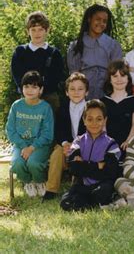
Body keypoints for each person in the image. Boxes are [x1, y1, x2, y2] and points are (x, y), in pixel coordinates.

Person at [60, 100, 121, 211]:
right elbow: (73, 168)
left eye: (99, 119)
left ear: (105, 120)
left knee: (102, 191)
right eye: (90, 119)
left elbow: (110, 172)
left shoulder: (111, 144)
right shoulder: (78, 141)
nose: (94, 123)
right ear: (84, 120)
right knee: (65, 202)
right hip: (83, 185)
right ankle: (93, 203)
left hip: (102, 185)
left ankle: (93, 201)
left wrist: (83, 165)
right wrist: (98, 165)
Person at [6, 71, 54, 197]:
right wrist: (23, 146)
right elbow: (10, 130)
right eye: (26, 86)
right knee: (17, 163)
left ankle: (39, 181)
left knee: (34, 163)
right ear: (22, 88)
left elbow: (47, 133)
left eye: (34, 87)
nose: (30, 90)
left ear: (41, 90)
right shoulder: (16, 106)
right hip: (21, 145)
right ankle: (27, 182)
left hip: (39, 145)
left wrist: (32, 147)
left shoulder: (45, 108)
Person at [43, 72, 88, 200]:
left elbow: (94, 130)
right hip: (66, 145)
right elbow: (58, 130)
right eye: (72, 89)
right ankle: (51, 189)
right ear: (67, 92)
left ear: (87, 92)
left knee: (82, 155)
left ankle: (77, 187)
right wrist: (64, 143)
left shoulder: (91, 108)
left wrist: (77, 146)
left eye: (80, 89)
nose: (76, 92)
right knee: (57, 153)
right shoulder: (62, 108)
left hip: (85, 144)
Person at [11, 11, 65, 112]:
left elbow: (58, 75)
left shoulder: (54, 53)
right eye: (33, 30)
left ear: (47, 30)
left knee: (49, 126)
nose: (37, 33)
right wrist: (29, 90)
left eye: (40, 29)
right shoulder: (20, 52)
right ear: (28, 31)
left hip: (49, 98)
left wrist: (42, 90)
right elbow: (17, 75)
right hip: (27, 96)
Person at [67, 4, 122, 99]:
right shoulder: (76, 46)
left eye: (104, 21)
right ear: (89, 19)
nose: (101, 23)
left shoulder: (113, 45)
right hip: (83, 96)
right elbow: (74, 75)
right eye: (98, 19)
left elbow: (117, 73)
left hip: (107, 94)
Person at [100, 60, 134, 153]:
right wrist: (106, 142)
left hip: (128, 144)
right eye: (115, 76)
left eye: (123, 76)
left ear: (128, 78)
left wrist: (128, 140)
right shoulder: (103, 102)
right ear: (109, 79)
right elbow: (103, 125)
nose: (119, 79)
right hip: (108, 145)